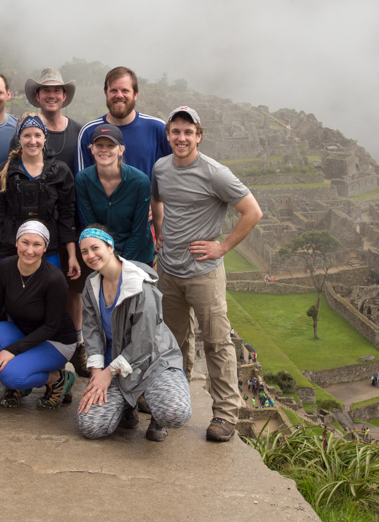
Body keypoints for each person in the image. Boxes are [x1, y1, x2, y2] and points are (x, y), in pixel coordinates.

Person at [151, 105, 263, 443]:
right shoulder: (160, 168)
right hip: (169, 270)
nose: (181, 138)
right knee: (173, 341)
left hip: (204, 273)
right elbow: (157, 203)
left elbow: (252, 211)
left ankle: (226, 414)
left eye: (188, 132)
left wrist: (223, 247)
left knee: (216, 341)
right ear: (168, 135)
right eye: (176, 131)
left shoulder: (215, 172)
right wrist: (160, 238)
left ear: (199, 136)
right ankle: (174, 400)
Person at [0, 113, 85, 371]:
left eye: (37, 135)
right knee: (14, 303)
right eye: (27, 135)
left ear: (45, 137)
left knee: (50, 304)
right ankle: (16, 357)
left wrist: (72, 254)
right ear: (19, 138)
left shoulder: (59, 171)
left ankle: (51, 364)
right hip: (12, 247)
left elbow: (67, 215)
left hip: (49, 249)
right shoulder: (4, 171)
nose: (32, 140)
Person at [76, 226, 191, 442]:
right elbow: (91, 332)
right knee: (90, 425)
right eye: (84, 252)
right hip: (116, 367)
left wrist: (107, 374)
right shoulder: (92, 286)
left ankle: (159, 405)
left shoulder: (139, 285)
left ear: (110, 247)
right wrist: (97, 373)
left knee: (174, 413)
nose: (90, 255)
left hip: (152, 363)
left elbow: (144, 343)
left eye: (95, 248)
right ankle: (127, 406)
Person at [0, 221, 78, 410]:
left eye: (37, 244)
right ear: (16, 243)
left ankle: (58, 378)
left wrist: (12, 350)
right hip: (24, 332)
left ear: (45, 248)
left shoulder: (54, 279)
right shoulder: (5, 267)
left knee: (10, 376)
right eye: (25, 242)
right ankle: (22, 379)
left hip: (56, 341)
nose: (29, 250)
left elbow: (51, 326)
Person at [75, 123, 154, 266]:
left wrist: (121, 264)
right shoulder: (83, 179)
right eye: (99, 145)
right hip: (103, 255)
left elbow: (139, 230)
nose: (104, 150)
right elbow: (92, 225)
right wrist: (108, 259)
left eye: (111, 145)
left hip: (138, 256)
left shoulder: (140, 181)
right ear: (92, 149)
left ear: (121, 150)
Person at [77, 66, 171, 180]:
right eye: (113, 90)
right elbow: (82, 183)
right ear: (106, 93)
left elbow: (177, 170)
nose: (119, 95)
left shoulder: (158, 128)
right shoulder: (89, 132)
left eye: (125, 90)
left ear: (135, 94)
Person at [24, 68, 81, 176]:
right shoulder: (25, 134)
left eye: (56, 91)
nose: (51, 95)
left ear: (64, 96)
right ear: (37, 96)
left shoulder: (79, 132)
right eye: (46, 90)